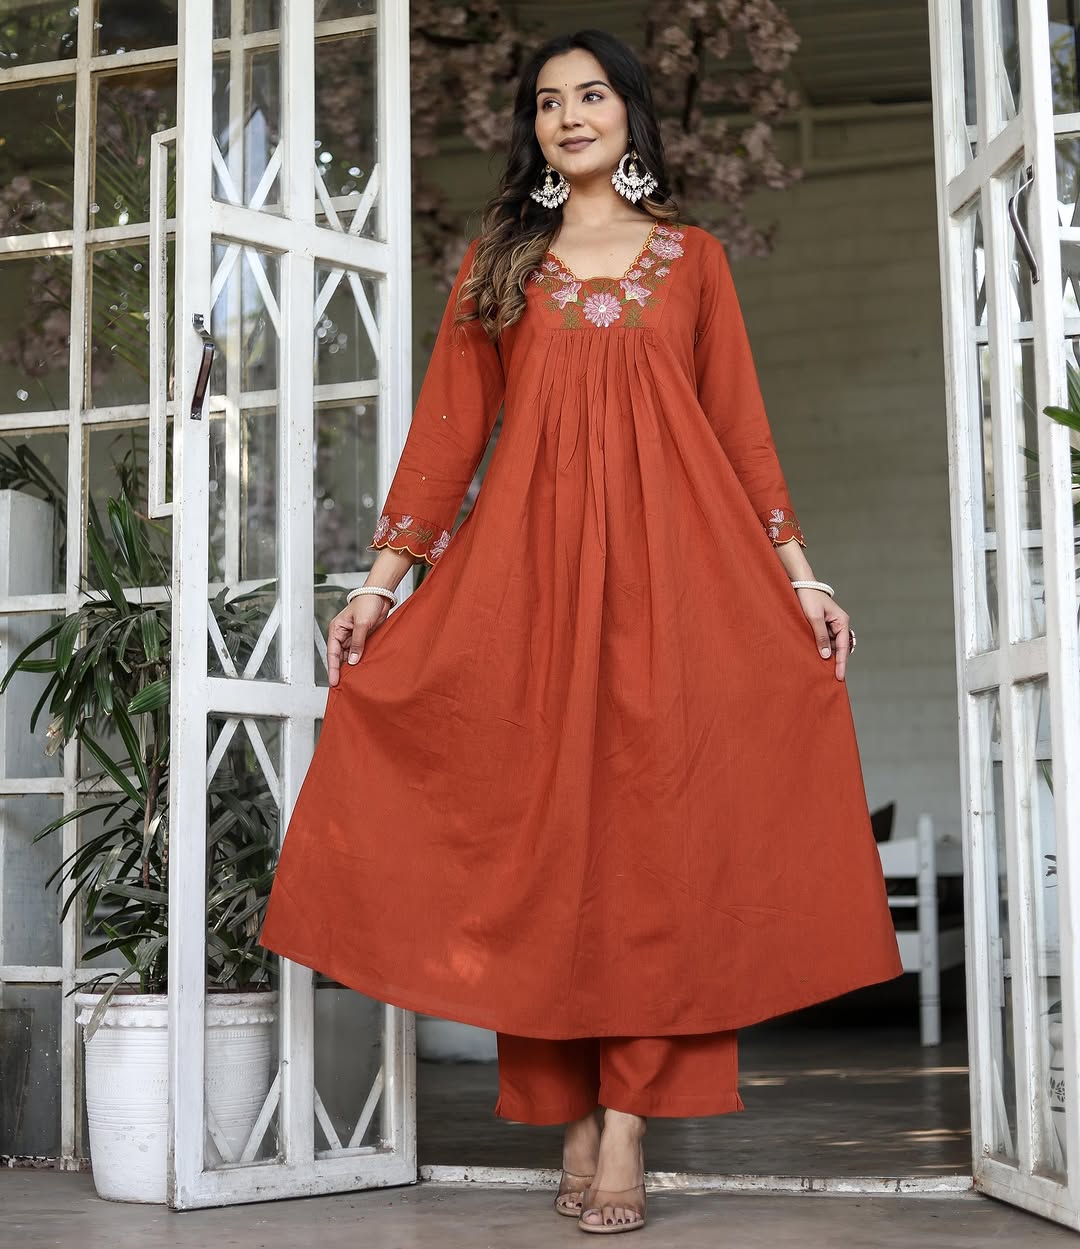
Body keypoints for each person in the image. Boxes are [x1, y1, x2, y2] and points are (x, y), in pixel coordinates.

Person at [258, 27, 903, 1235]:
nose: (569, 115)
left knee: (657, 848)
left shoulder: (694, 258)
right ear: (535, 130)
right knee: (543, 849)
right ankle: (567, 1110)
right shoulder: (499, 264)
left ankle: (631, 1124)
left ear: (629, 115)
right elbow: (449, 435)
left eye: (591, 94)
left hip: (681, 584)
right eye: (547, 101)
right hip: (532, 588)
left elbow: (740, 431)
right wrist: (381, 585)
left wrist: (801, 578)